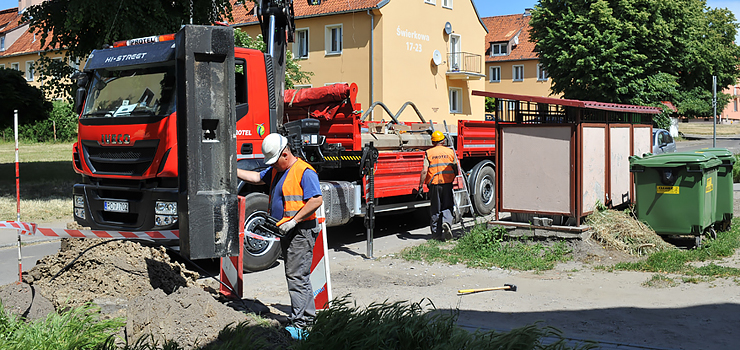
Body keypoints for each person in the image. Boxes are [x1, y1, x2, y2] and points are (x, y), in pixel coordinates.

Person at [237, 133, 322, 337]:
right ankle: (307, 320)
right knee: (297, 275)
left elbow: (316, 200)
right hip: (288, 230)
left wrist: (294, 220)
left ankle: (301, 325)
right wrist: (232, 170)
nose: (273, 166)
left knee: (296, 276)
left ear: (285, 154)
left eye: (275, 161)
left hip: (300, 231)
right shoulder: (278, 170)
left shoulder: (304, 171)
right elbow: (257, 178)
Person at [419, 130, 458, 241]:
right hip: (447, 183)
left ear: (433, 142)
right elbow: (456, 167)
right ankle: (447, 223)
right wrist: (454, 176)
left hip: (434, 184)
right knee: (447, 206)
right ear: (444, 141)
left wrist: (421, 185)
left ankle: (436, 235)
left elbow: (424, 171)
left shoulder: (429, 153)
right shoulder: (450, 152)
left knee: (435, 209)